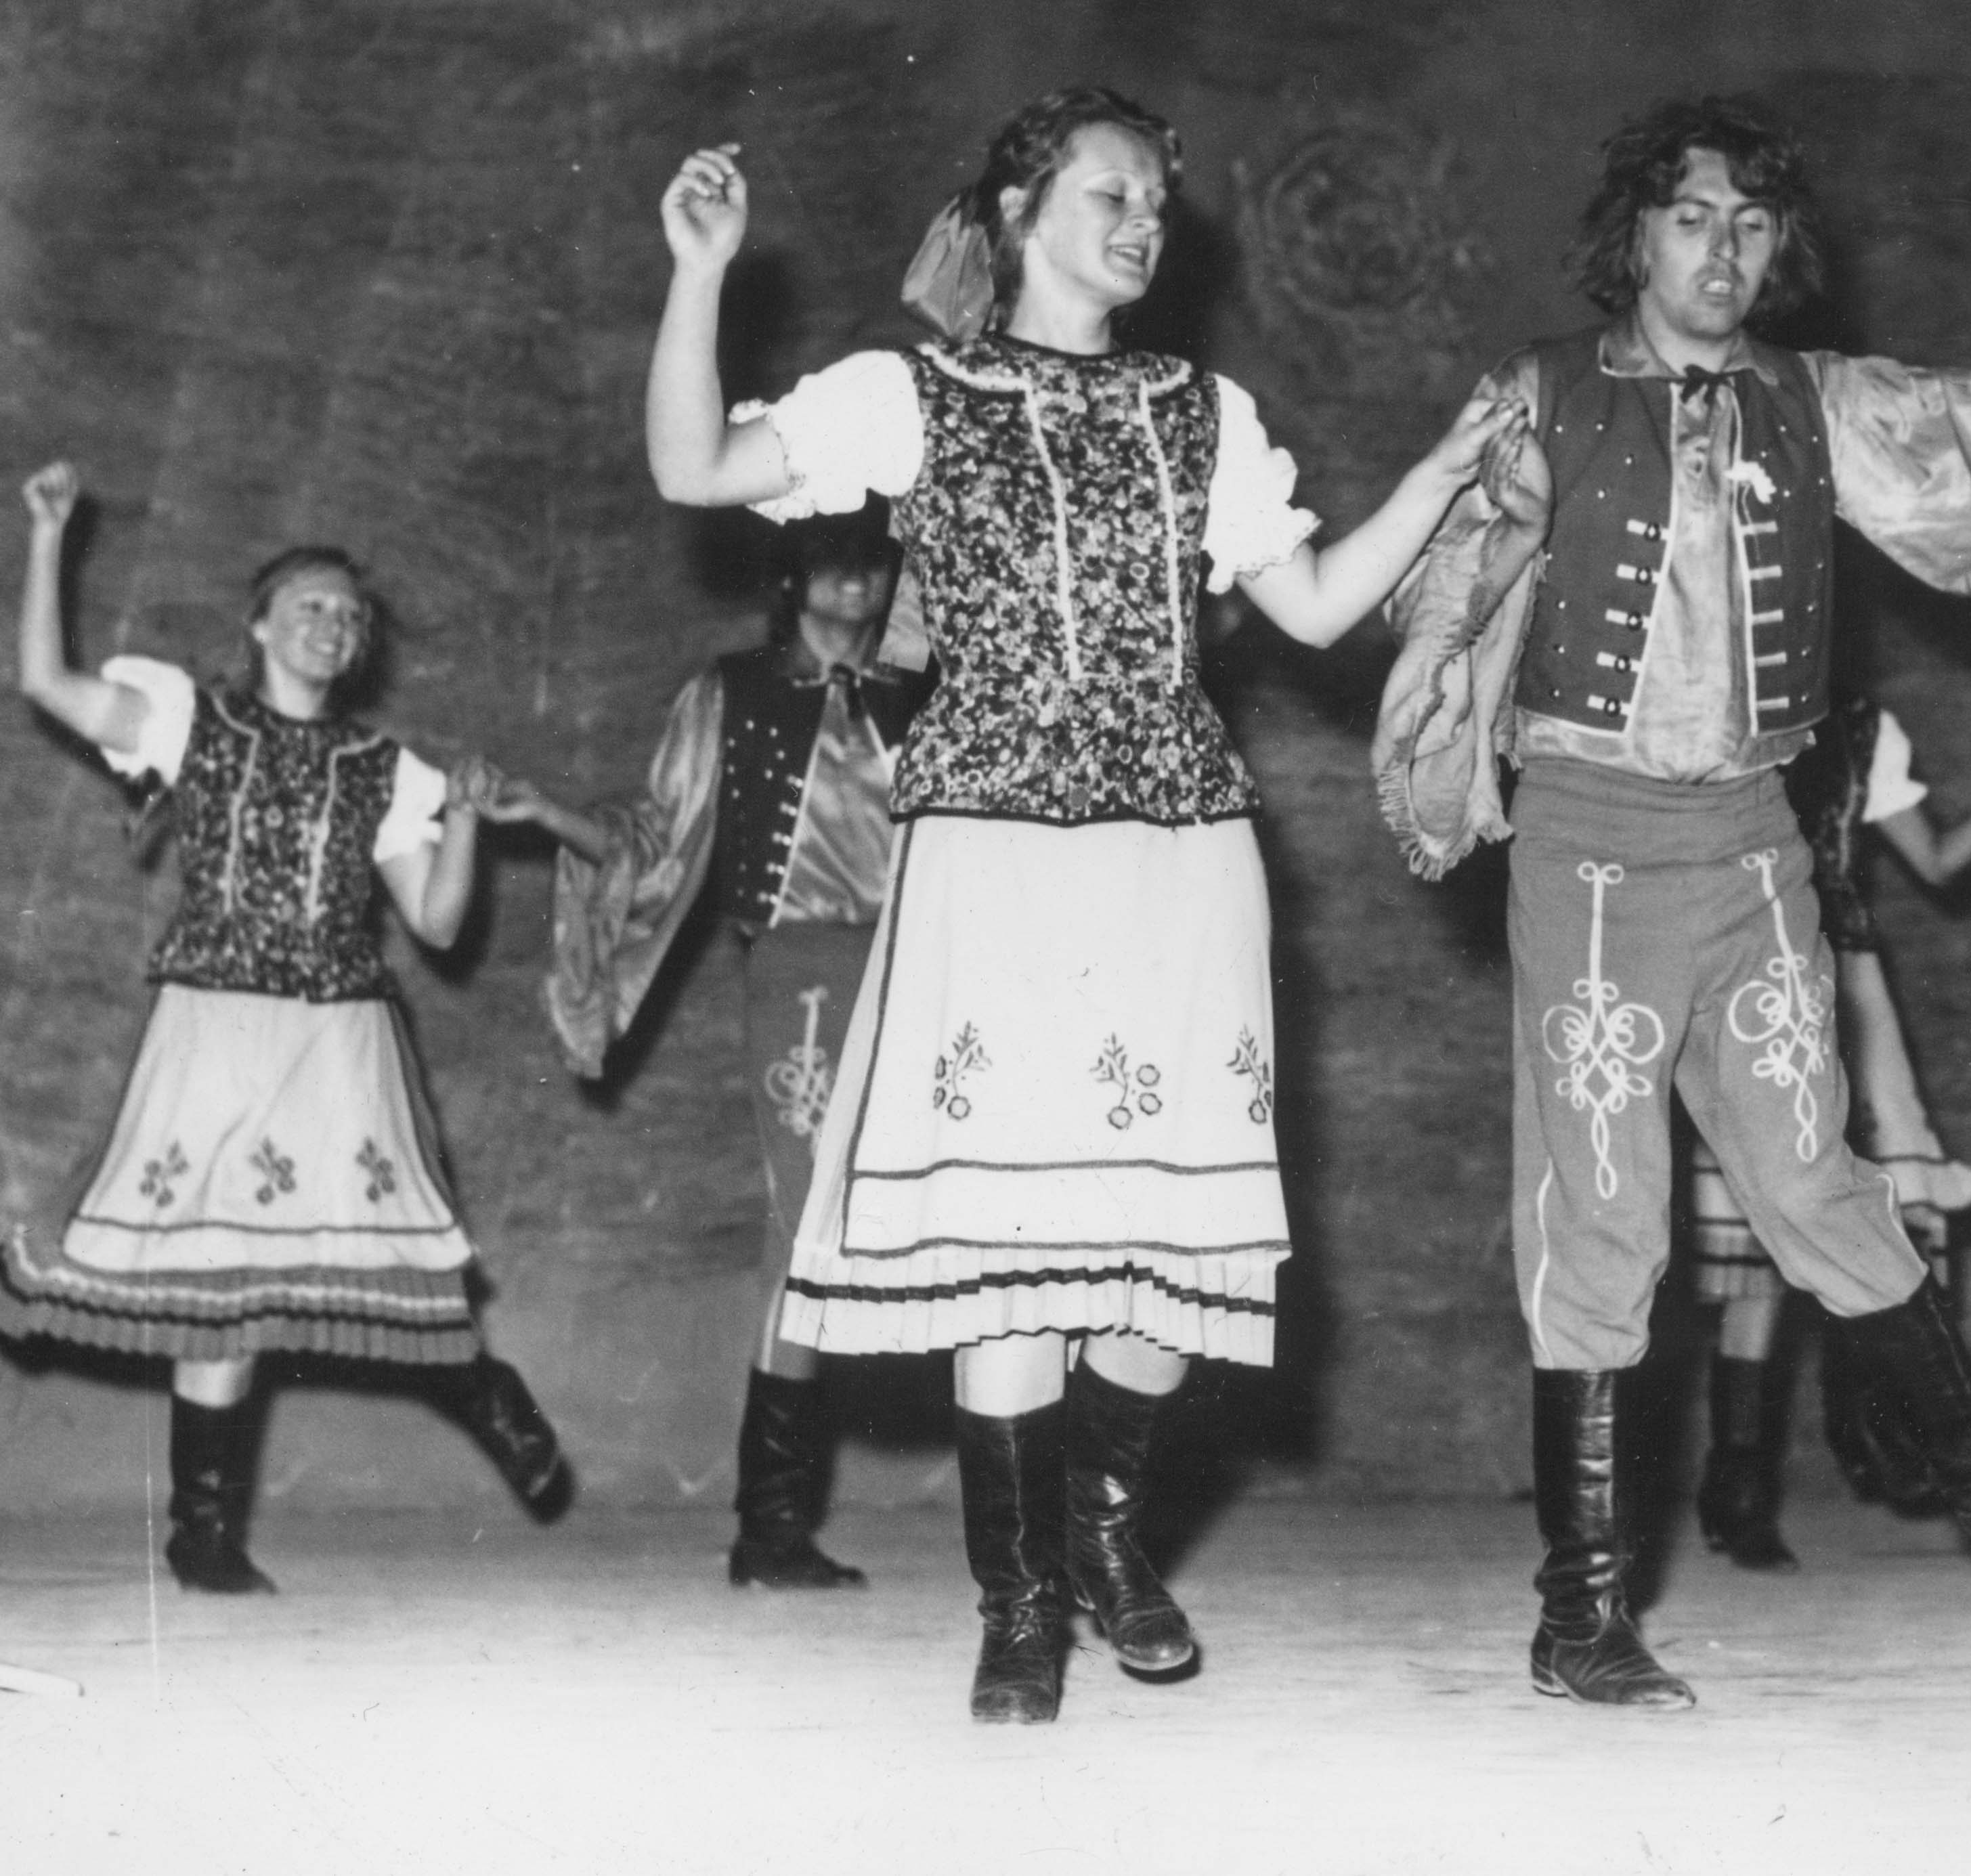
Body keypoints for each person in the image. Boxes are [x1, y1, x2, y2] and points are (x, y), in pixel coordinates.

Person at [1374, 94, 1971, 1707]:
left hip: (1751, 850)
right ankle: (1578, 1611)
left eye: (1748, 225)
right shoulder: (1538, 396)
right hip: (1590, 854)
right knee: (1600, 1218)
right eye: (1689, 219)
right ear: (1633, 237)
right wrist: (1447, 712)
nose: (1720, 251)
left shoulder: (1821, 404)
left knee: (1821, 1183)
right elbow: (1437, 596)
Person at [641, 89, 1521, 1722]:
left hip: (1178, 850)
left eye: (1154, 202)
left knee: (1170, 1246)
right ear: (1017, 211)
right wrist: (701, 273)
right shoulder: (909, 393)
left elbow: (1319, 608)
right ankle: (1021, 1604)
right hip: (988, 850)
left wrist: (1441, 471)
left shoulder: (1205, 413)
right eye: (1109, 193)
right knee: (1008, 1252)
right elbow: (692, 465)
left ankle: (1105, 1530)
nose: (1141, 222)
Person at [0, 460, 571, 1594]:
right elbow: (48, 683)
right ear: (260, 624)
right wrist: (50, 534)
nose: (332, 625)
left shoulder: (383, 769)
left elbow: (438, 923)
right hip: (213, 1026)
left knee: (383, 1250)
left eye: (349, 617)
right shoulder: (190, 719)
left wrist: (461, 818)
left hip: (338, 1036)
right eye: (311, 605)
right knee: (222, 1273)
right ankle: (204, 1533)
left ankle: (483, 1392)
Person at [477, 510, 928, 1590]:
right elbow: (653, 835)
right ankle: (769, 1527)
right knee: (807, 1231)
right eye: (829, 557)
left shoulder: (927, 688)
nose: (854, 579)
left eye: (872, 560)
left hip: (933, 968)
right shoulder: (734, 693)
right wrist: (549, 812)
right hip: (809, 970)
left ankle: (1025, 1513)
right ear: (791, 575)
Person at [1688, 692, 1971, 1569]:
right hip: (1753, 966)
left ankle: (1876, 1424)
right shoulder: (1719, 695)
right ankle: (1738, 1486)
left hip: (1847, 978)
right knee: (1758, 1232)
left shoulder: (1866, 728)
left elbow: (1936, 860)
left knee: (1879, 1213)